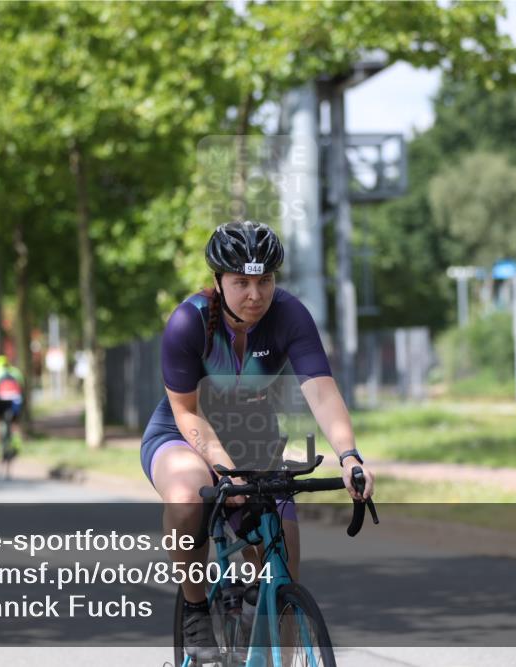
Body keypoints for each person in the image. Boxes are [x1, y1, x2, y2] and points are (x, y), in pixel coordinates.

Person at [140, 220, 375, 661]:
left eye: (264, 280)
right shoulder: (187, 323)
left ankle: (266, 628)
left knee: (282, 559)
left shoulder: (290, 315)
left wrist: (350, 456)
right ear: (218, 281)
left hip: (254, 438)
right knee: (189, 494)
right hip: (182, 434)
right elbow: (186, 411)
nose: (255, 294)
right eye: (241, 282)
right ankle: (195, 610)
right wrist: (223, 467)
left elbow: (321, 391)